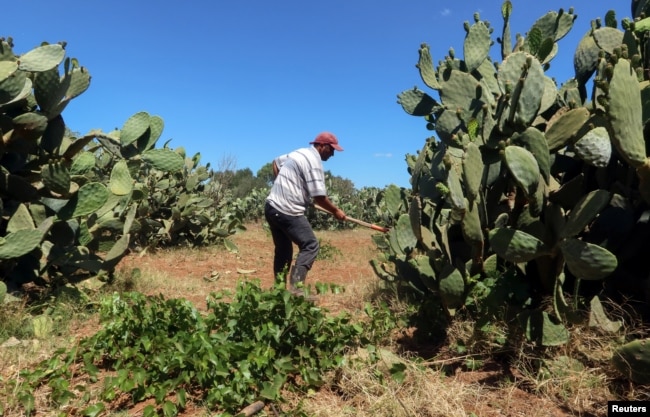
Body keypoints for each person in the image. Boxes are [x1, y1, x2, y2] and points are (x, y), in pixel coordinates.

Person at [264, 132, 347, 297]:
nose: (332, 154)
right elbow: (320, 197)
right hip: (288, 211)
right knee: (310, 245)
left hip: (272, 207)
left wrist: (285, 185)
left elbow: (276, 162)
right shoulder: (314, 162)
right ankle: (297, 290)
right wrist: (336, 211)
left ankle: (279, 292)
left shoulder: (299, 153)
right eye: (331, 150)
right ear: (321, 146)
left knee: (283, 250)